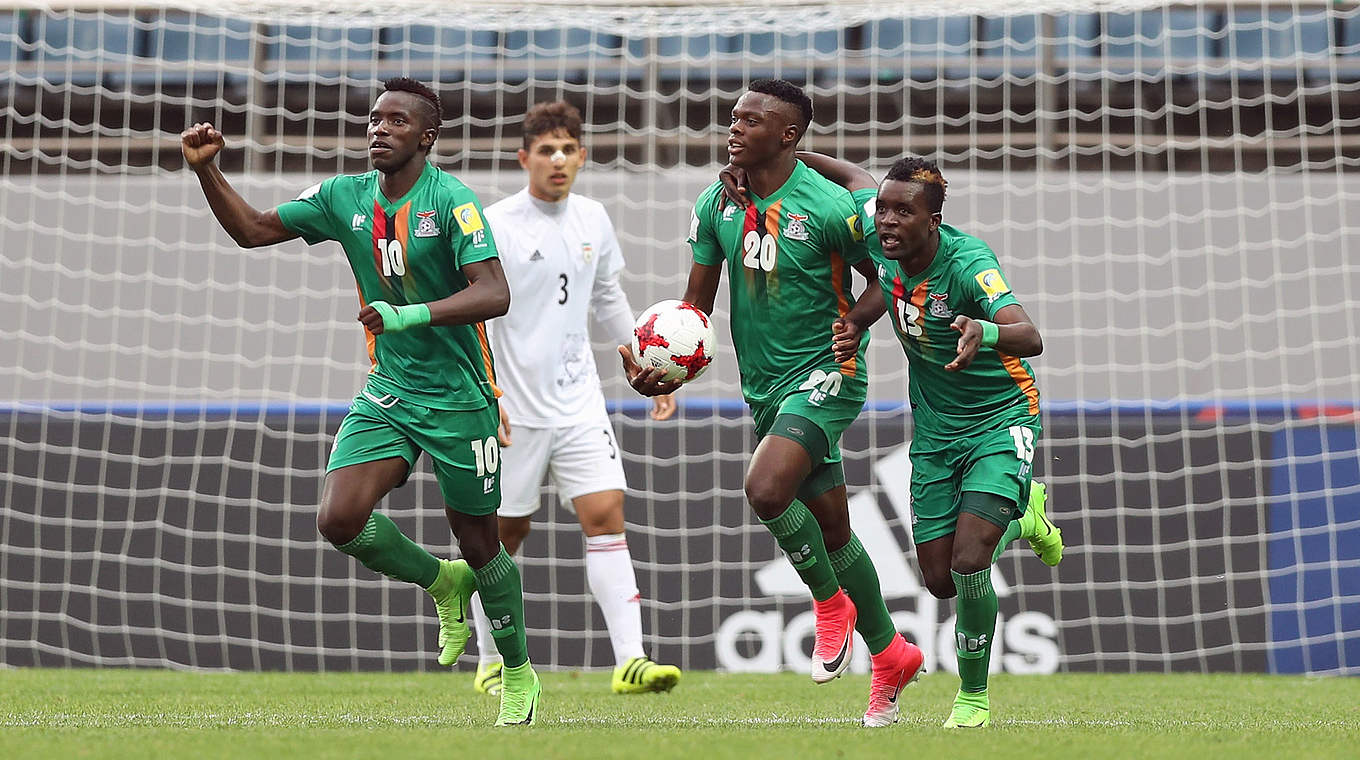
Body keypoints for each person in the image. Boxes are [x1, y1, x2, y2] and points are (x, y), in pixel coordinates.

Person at [180, 77, 541, 726]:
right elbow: (255, 230)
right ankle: (441, 580)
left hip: (460, 402)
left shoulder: (453, 202)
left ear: (427, 137)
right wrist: (209, 173)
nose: (378, 129)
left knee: (481, 542)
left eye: (396, 122)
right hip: (389, 394)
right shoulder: (344, 196)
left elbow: (494, 293)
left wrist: (406, 318)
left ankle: (517, 674)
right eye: (374, 119)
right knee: (339, 521)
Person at [621, 79, 925, 728]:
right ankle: (891, 654)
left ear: (788, 135)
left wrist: (859, 323)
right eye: (734, 117)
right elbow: (693, 310)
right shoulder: (717, 203)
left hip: (829, 374)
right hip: (763, 386)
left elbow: (890, 278)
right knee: (837, 530)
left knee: (764, 490)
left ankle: (828, 603)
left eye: (751, 120)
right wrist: (663, 370)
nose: (734, 127)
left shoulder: (833, 207)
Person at [806, 154, 1064, 728]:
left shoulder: (970, 264)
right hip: (936, 429)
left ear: (934, 220)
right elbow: (853, 181)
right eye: (884, 210)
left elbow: (1031, 335)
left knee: (972, 562)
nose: (887, 220)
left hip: (1002, 417)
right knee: (940, 580)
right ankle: (1025, 518)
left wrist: (985, 329)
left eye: (904, 211)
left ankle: (972, 699)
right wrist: (786, 158)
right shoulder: (882, 239)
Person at [472, 100, 682, 696]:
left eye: (568, 149)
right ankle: (492, 659)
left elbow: (608, 296)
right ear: (524, 159)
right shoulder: (496, 224)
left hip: (579, 402)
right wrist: (488, 390)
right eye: (546, 150)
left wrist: (646, 365)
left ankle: (631, 660)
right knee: (503, 535)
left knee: (604, 514)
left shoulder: (593, 218)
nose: (558, 159)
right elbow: (475, 319)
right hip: (512, 406)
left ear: (582, 157)